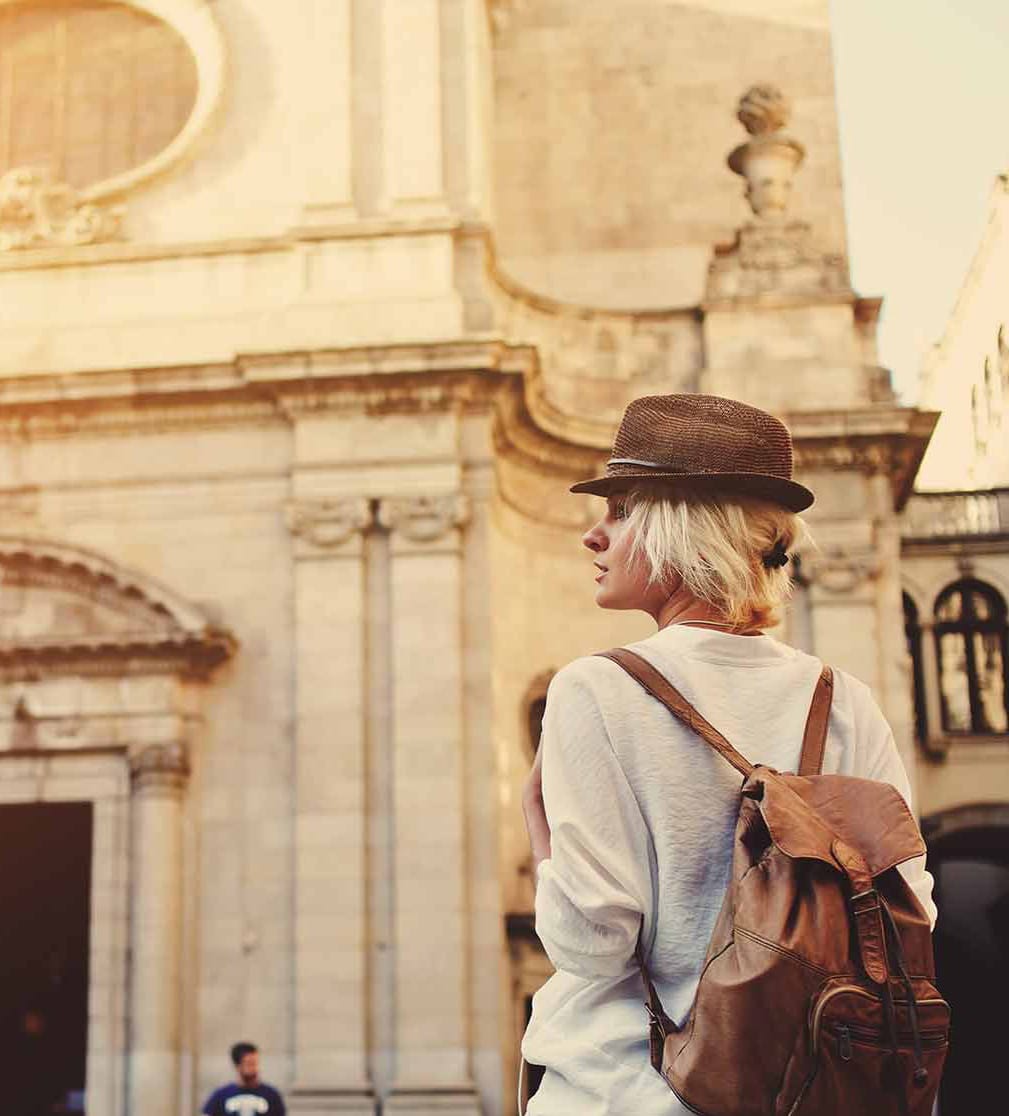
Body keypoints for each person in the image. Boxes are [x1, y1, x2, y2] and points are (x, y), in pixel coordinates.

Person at [519, 393, 937, 1114]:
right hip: (811, 1089)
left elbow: (591, 946)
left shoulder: (595, 689)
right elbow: (910, 913)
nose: (593, 535)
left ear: (678, 531)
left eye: (618, 511)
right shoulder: (844, 700)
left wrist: (541, 834)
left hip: (628, 1088)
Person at [201, 1042, 286, 1116]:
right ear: (238, 1066)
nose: (255, 1068)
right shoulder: (220, 1096)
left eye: (256, 1063)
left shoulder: (271, 1095)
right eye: (250, 1064)